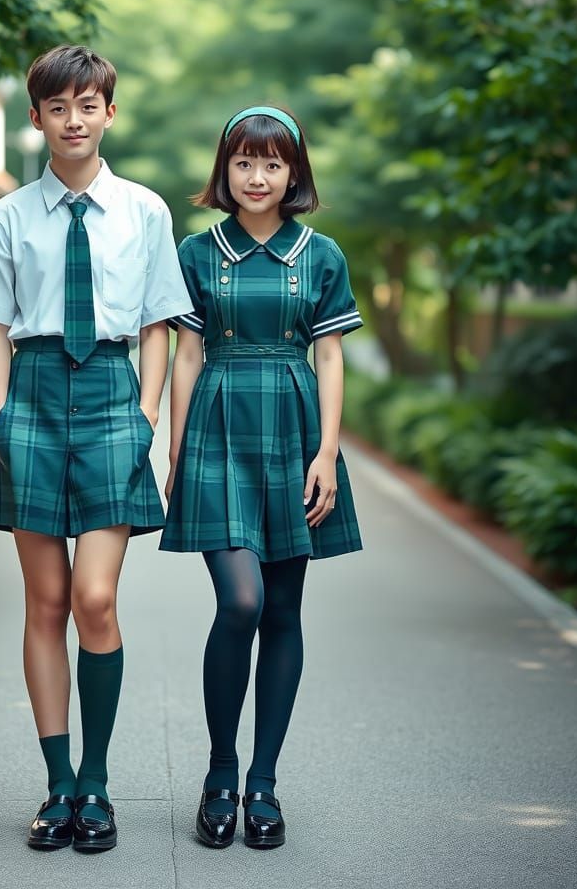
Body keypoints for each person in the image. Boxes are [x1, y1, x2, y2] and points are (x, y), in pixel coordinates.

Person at [0, 45, 193, 853]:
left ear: (109, 113)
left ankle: (98, 781)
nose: (74, 120)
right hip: (32, 395)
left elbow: (160, 322)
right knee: (46, 602)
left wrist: (148, 415)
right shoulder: (8, 217)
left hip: (111, 399)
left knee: (95, 599)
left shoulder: (146, 212)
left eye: (88, 106)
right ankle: (58, 787)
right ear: (37, 118)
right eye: (58, 108)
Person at [162, 105, 364, 850]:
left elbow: (332, 356)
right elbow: (184, 356)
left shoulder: (321, 254)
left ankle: (264, 785)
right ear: (226, 170)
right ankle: (221, 771)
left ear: (293, 174)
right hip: (216, 426)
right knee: (240, 601)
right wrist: (178, 453)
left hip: (293, 428)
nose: (257, 177)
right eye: (244, 162)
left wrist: (327, 453)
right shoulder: (195, 251)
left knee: (283, 609)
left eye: (273, 164)